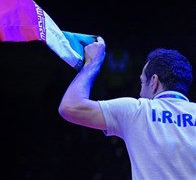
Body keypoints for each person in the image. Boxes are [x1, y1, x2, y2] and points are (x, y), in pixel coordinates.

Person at [58, 36, 195, 180]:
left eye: (142, 83)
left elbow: (70, 107)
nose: (140, 93)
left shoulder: (137, 110)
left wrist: (91, 64)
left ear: (154, 82)